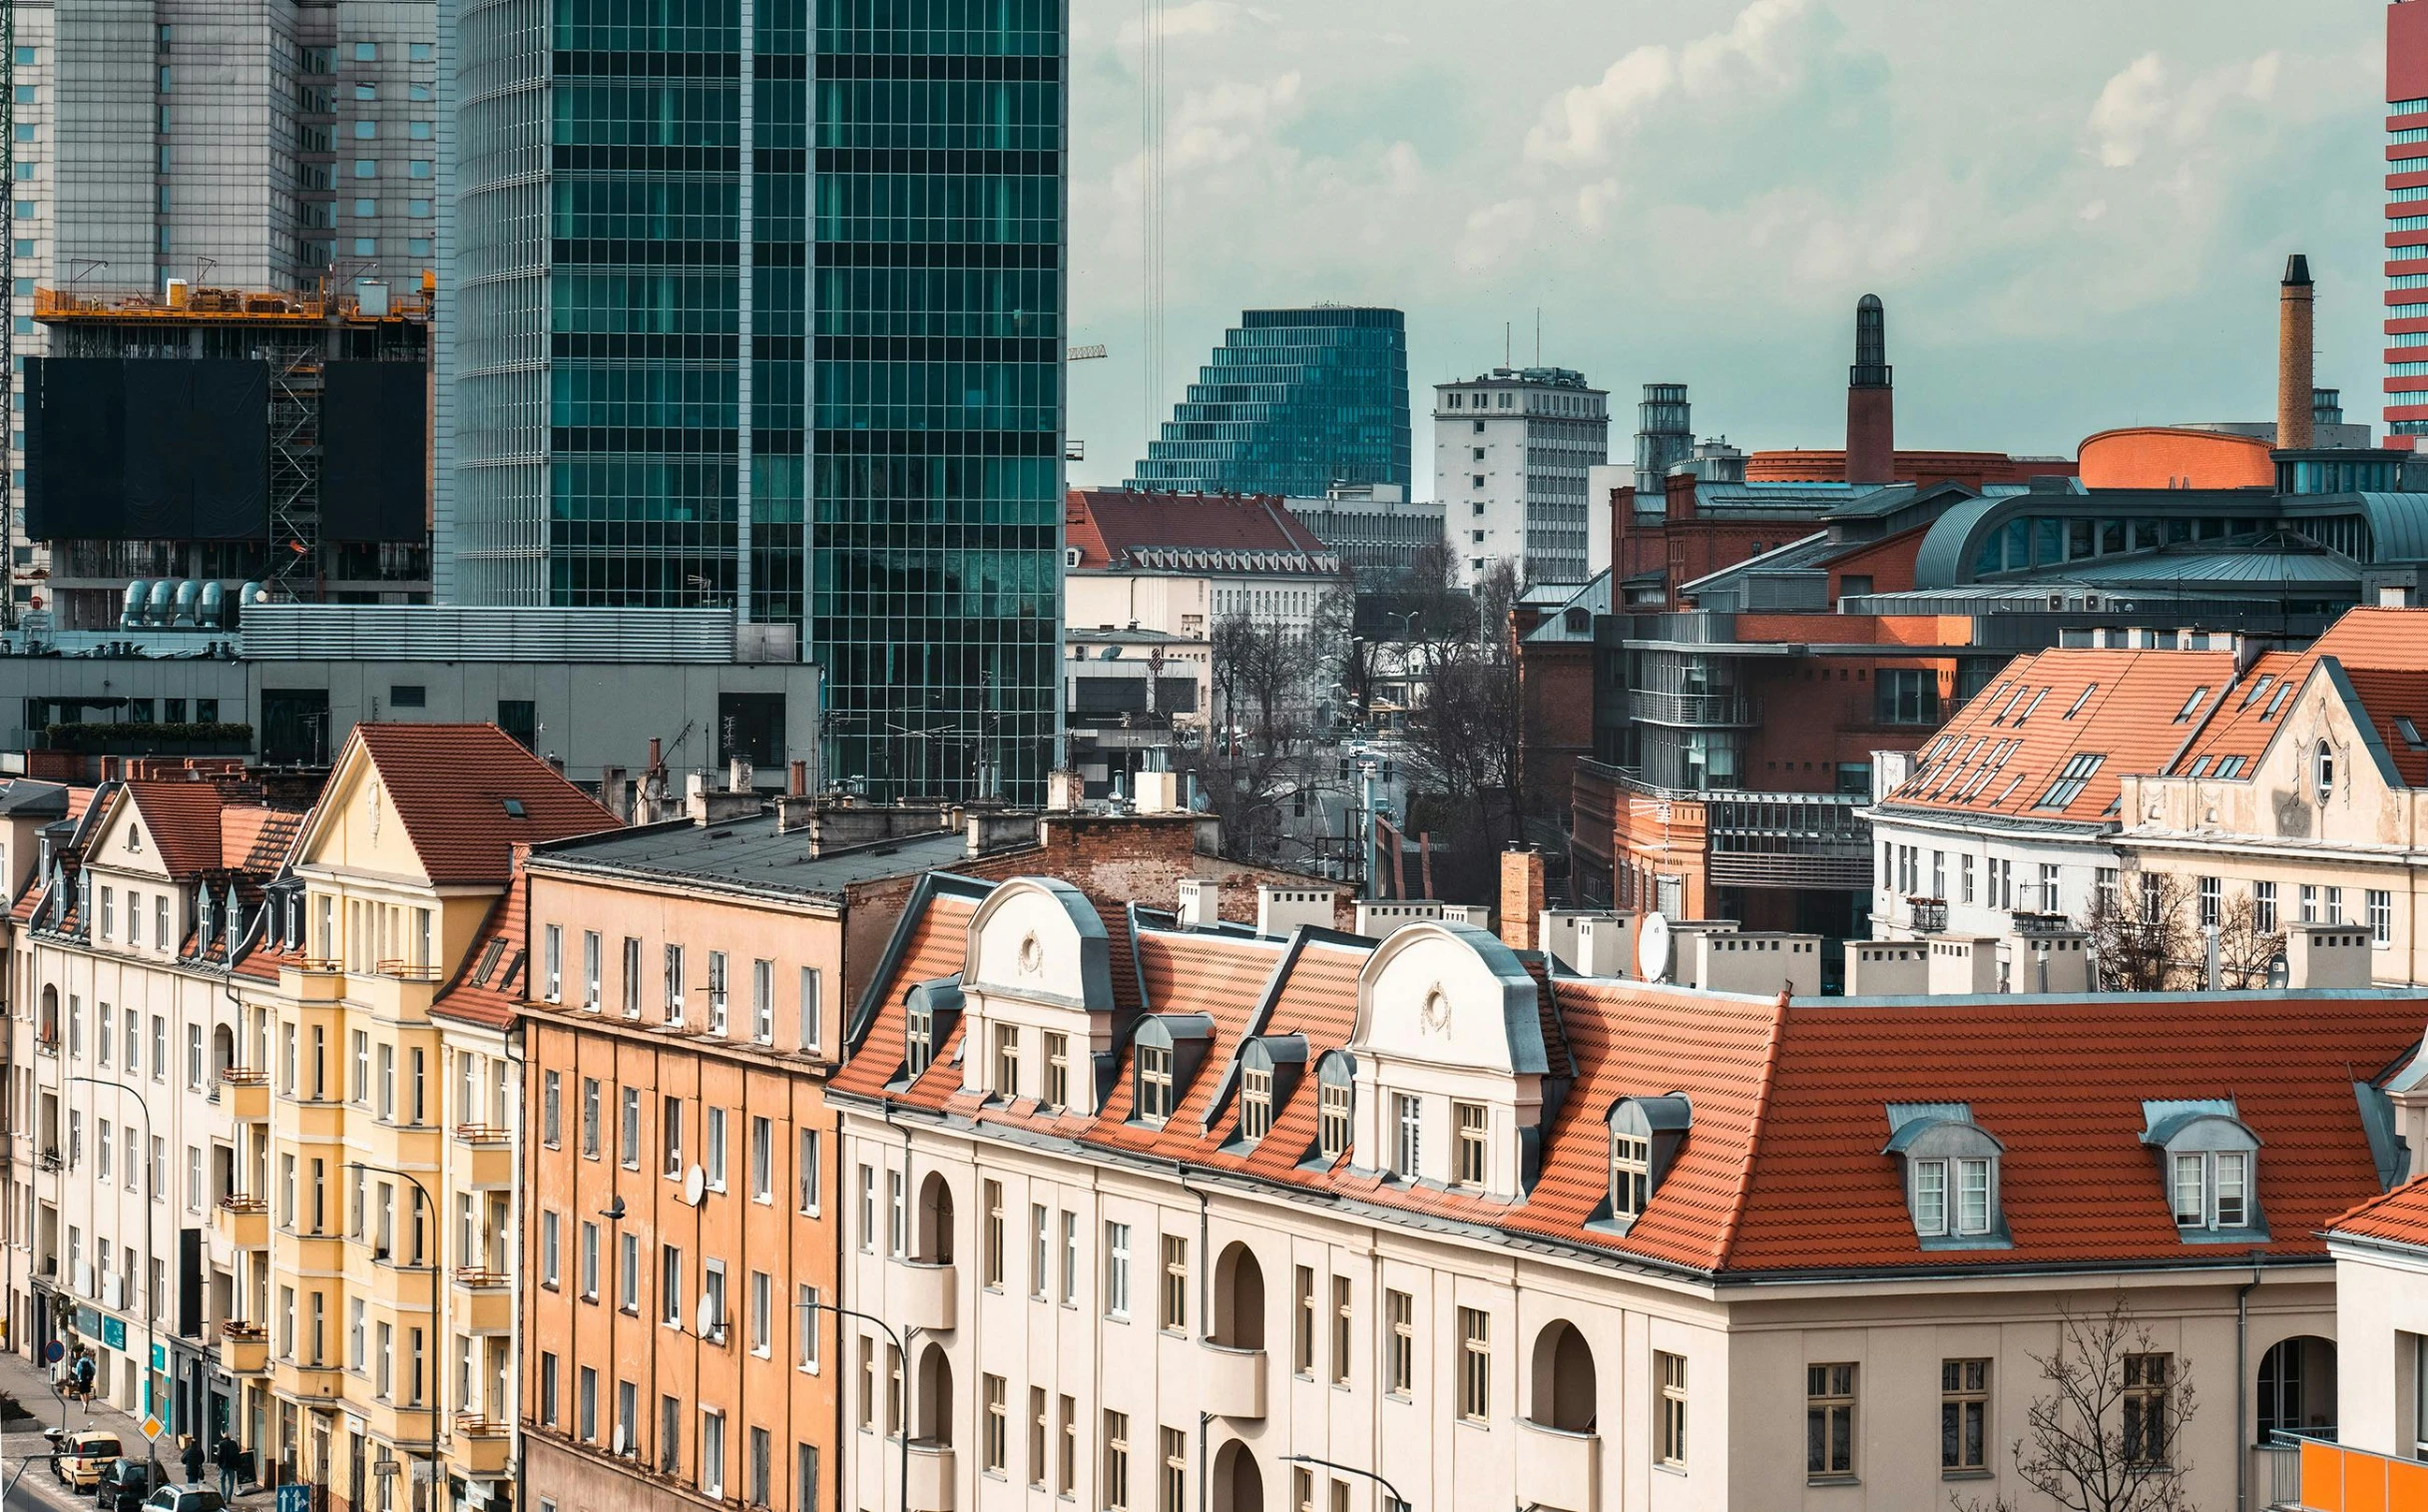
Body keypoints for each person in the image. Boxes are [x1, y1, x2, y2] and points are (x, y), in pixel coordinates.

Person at [215, 1431, 242, 1500]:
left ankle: (223, 1496)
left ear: (223, 1437)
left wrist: (218, 1464)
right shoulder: (234, 1443)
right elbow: (237, 1455)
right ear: (229, 1437)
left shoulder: (221, 1443)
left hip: (223, 1466)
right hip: (232, 1466)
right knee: (231, 1483)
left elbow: (219, 1455)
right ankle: (229, 1497)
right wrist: (238, 1465)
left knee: (222, 1481)